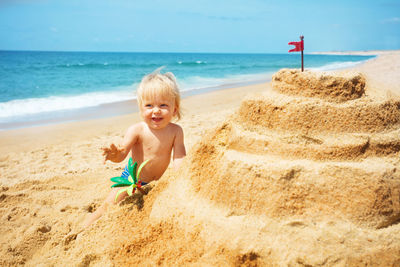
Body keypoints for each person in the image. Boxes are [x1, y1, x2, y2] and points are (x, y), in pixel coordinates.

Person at [83, 69, 186, 228]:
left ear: (175, 109)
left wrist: (181, 175)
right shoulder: (137, 130)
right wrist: (114, 155)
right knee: (107, 206)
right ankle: (82, 229)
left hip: (155, 183)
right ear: (141, 109)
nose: (156, 110)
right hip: (131, 178)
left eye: (163, 105)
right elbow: (122, 154)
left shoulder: (176, 131)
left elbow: (179, 157)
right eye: (149, 105)